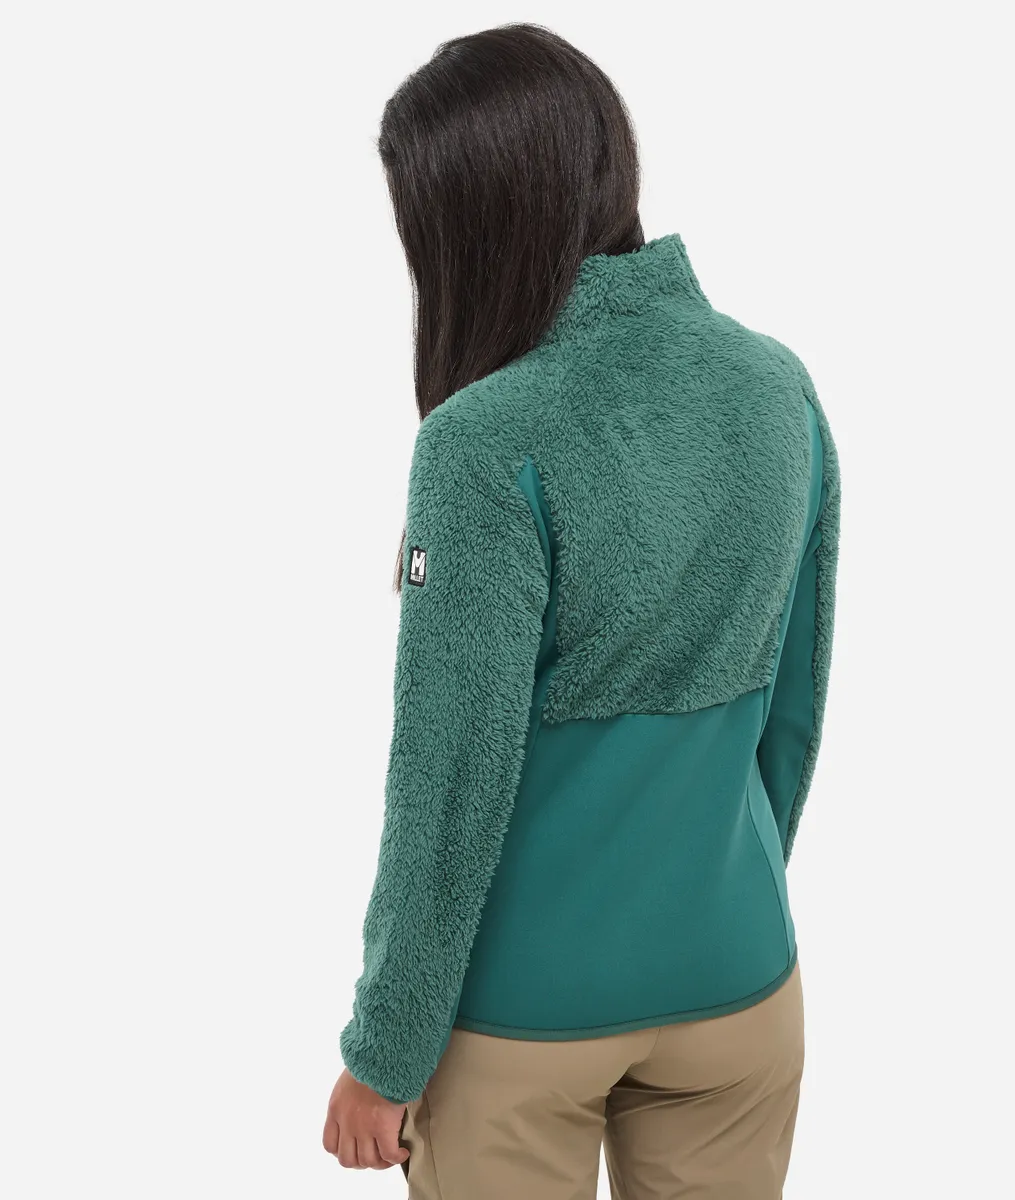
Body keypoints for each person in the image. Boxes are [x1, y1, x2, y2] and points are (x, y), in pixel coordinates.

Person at [322, 22, 841, 1200]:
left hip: (524, 1011)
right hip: (738, 977)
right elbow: (795, 707)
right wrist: (709, 895)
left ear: (464, 220)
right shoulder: (777, 385)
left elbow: (449, 776)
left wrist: (384, 1052)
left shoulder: (484, 441)